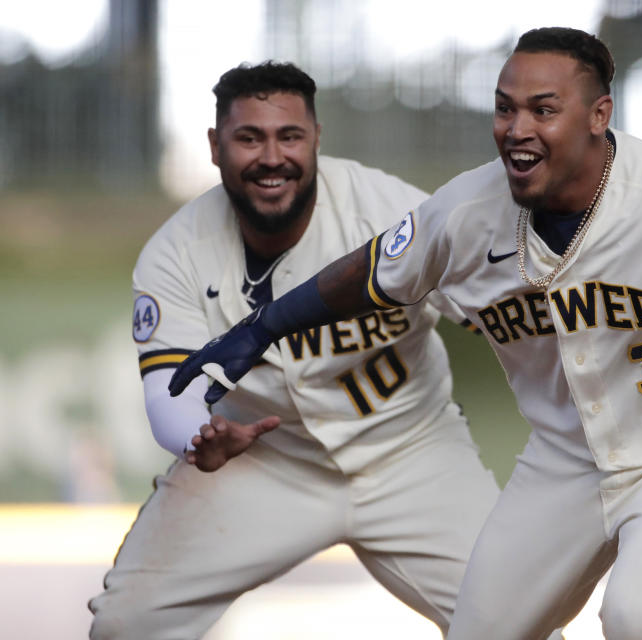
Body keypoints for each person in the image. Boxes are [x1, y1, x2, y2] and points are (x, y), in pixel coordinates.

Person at [169, 29, 642, 640]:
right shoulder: (468, 211)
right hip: (565, 463)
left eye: (543, 109)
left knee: (638, 617)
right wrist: (262, 327)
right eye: (504, 108)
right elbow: (370, 273)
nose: (516, 129)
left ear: (598, 114)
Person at [88, 61, 502, 639]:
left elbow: (491, 306)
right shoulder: (176, 253)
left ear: (316, 139)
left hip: (413, 452)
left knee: (517, 623)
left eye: (289, 136)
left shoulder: (385, 209)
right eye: (248, 137)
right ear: (214, 146)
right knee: (125, 625)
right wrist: (197, 437)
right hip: (262, 462)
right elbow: (168, 395)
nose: (271, 156)